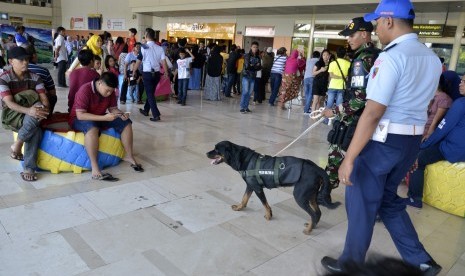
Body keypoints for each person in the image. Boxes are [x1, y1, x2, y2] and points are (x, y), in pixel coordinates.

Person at [321, 1, 443, 275]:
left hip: (383, 142)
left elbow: (373, 112)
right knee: (388, 201)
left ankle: (349, 265)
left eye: (377, 21)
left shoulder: (390, 57)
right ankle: (421, 261)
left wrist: (349, 158)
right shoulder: (431, 58)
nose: (375, 27)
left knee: (361, 201)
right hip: (410, 142)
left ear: (389, 20)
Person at [320, 17, 380, 205]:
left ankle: (324, 194)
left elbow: (360, 98)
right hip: (368, 122)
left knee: (336, 155)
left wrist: (335, 111)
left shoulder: (362, 60)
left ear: (364, 34)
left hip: (354, 121)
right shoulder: (376, 55)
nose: (349, 39)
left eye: (352, 35)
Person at [69, 72, 143, 181]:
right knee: (92, 128)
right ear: (100, 83)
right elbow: (80, 115)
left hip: (99, 116)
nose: (109, 93)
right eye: (107, 90)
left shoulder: (110, 92)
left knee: (126, 123)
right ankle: (95, 169)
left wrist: (121, 114)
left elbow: (112, 109)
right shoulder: (84, 90)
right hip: (80, 119)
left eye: (111, 91)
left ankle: (129, 156)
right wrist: (104, 118)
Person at [406, 74, 465, 209]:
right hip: (458, 146)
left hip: (454, 149)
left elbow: (443, 128)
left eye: (464, 82)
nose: (460, 84)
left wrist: (424, 145)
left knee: (417, 159)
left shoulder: (461, 104)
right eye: (461, 80)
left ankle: (414, 198)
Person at [0, 47, 50, 181]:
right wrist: (30, 110)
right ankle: (25, 160)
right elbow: (9, 104)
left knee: (36, 129)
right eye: (21, 60)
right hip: (12, 115)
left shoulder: (35, 77)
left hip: (32, 116)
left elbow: (44, 99)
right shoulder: (3, 79)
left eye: (27, 59)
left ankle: (22, 152)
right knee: (35, 115)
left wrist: (43, 108)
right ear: (11, 61)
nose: (25, 62)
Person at [135, 28, 168, 122]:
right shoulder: (160, 48)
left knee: (150, 94)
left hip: (147, 74)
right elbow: (163, 61)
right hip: (157, 74)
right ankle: (146, 110)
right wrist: (166, 72)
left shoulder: (143, 47)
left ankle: (156, 114)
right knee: (151, 93)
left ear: (146, 36)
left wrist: (134, 70)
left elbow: (138, 61)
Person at [26, 46, 58, 114]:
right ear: (34, 55)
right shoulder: (42, 70)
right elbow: (52, 92)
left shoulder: (15, 71)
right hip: (38, 101)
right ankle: (47, 115)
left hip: (23, 102)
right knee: (52, 97)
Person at [422, 72, 454, 141]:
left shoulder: (444, 98)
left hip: (428, 129)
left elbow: (436, 121)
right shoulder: (428, 93)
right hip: (419, 126)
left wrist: (428, 134)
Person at [240, 41, 261, 114]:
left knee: (249, 93)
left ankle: (246, 107)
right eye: (254, 47)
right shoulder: (247, 55)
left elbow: (259, 67)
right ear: (251, 47)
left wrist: (253, 65)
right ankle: (242, 107)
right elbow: (247, 66)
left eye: (256, 47)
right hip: (246, 76)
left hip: (253, 77)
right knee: (245, 91)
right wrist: (255, 65)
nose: (255, 49)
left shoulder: (258, 57)